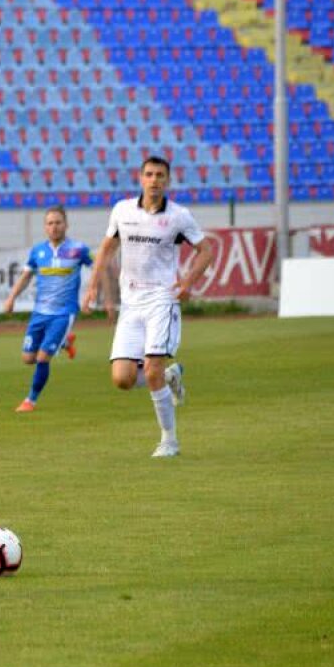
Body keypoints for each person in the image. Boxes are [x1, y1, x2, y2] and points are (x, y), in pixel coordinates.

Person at [84, 156, 216, 458]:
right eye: (149, 174)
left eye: (160, 175)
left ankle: (169, 440)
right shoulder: (122, 210)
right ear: (140, 178)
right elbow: (106, 249)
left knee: (152, 370)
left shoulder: (179, 216)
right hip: (130, 303)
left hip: (161, 299)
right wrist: (93, 285)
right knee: (123, 379)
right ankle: (171, 377)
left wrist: (187, 283)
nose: (154, 180)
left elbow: (205, 251)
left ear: (167, 181)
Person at [3, 205, 96, 412]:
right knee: (28, 359)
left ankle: (30, 400)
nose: (54, 227)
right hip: (39, 313)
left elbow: (98, 267)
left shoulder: (78, 249)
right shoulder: (38, 251)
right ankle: (65, 342)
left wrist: (93, 291)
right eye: (50, 223)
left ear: (66, 225)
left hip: (64, 313)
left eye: (58, 222)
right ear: (45, 227)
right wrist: (11, 298)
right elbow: (26, 276)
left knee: (42, 358)